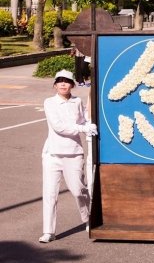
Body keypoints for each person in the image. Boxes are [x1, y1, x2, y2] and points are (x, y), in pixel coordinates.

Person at [40, 70, 97, 243]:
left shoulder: (77, 101)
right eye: (60, 81)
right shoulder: (49, 102)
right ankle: (49, 231)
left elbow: (83, 120)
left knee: (78, 191)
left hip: (74, 153)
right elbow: (58, 127)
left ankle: (87, 218)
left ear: (72, 84)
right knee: (50, 193)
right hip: (52, 154)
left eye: (67, 81)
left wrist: (90, 126)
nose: (63, 84)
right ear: (55, 85)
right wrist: (83, 129)